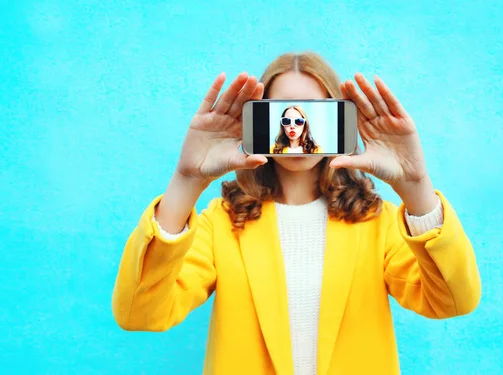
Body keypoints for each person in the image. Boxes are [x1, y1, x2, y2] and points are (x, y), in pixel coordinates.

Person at [112, 51, 481, 375]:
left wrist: (416, 185)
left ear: (338, 120)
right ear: (257, 120)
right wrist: (186, 180)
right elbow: (139, 314)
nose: (295, 125)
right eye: (282, 114)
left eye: (313, 114)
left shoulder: (376, 222)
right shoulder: (222, 223)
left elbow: (452, 301)